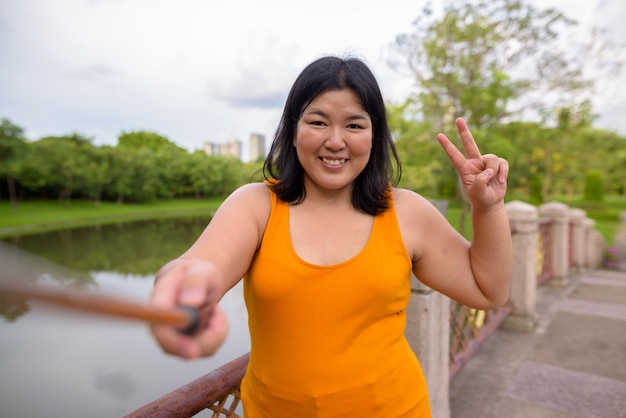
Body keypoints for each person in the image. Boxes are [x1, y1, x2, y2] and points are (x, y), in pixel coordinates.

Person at [149, 55, 512, 417]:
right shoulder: (256, 206)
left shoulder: (407, 212)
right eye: (318, 122)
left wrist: (488, 208)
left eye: (354, 126)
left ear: (375, 136)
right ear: (292, 131)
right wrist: (182, 287)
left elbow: (487, 290)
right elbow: (199, 266)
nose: (335, 141)